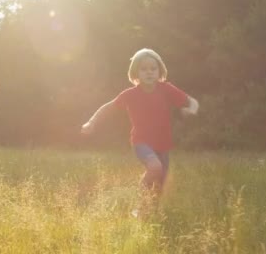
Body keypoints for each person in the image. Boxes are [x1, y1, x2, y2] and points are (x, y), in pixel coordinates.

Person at [81, 48, 199, 202]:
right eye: (143, 69)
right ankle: (140, 195)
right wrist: (91, 122)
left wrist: (192, 110)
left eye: (153, 68)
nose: (149, 72)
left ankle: (146, 212)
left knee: (159, 187)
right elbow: (107, 107)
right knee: (155, 167)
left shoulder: (166, 89)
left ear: (160, 70)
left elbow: (193, 102)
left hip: (163, 144)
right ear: (136, 73)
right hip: (141, 142)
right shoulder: (130, 95)